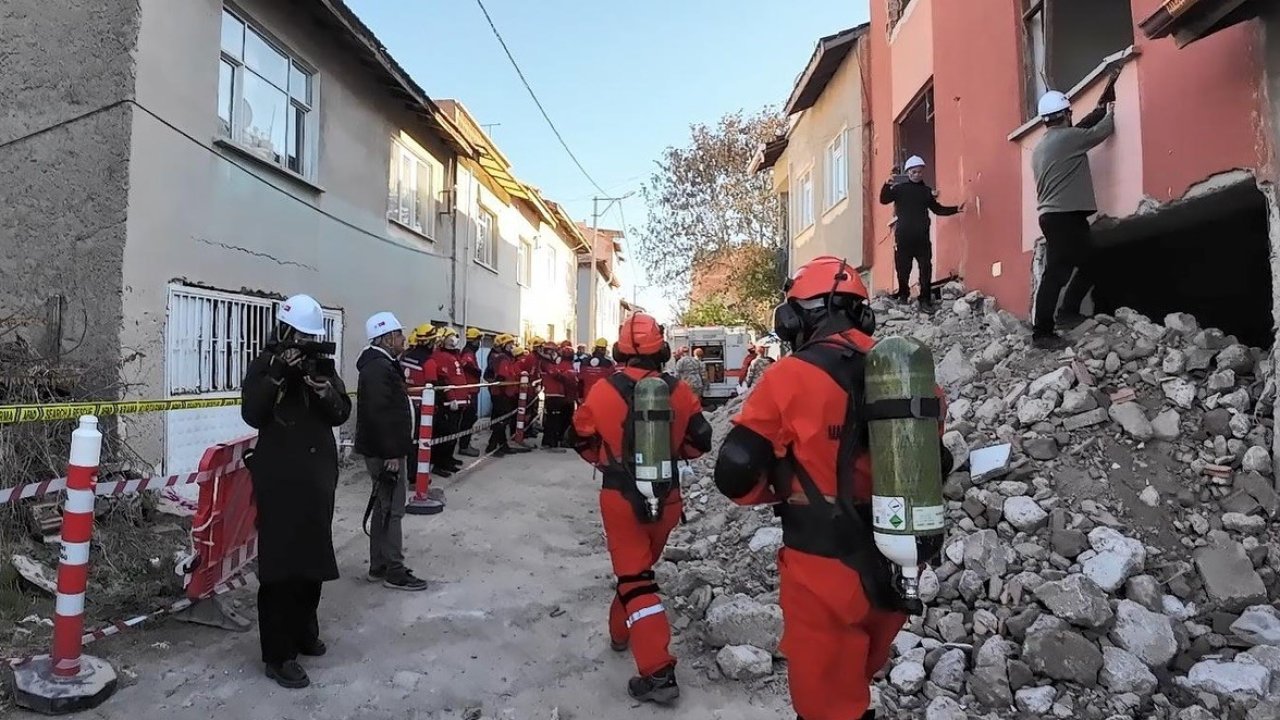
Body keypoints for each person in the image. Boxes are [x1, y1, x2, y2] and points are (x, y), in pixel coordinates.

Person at [712, 256, 951, 720]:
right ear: (863, 314)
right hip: (897, 562)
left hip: (821, 569)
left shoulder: (788, 378)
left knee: (826, 704)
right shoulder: (911, 377)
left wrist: (782, 486)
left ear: (794, 319)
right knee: (852, 686)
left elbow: (735, 475)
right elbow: (934, 462)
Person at [567, 313, 713, 705]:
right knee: (637, 574)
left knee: (635, 580)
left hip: (620, 499)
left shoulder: (601, 392)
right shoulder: (679, 391)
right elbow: (700, 442)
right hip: (666, 500)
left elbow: (578, 438)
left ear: (618, 351)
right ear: (662, 351)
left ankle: (658, 671)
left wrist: (606, 460)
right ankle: (620, 633)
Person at [240, 294, 351, 689]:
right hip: (280, 477)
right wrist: (277, 377)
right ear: (284, 331)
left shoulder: (323, 365)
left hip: (317, 475)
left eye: (310, 337)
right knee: (282, 566)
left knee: (313, 559)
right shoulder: (264, 364)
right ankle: (278, 653)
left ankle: (305, 631)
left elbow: (342, 412)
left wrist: (325, 391)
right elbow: (253, 413)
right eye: (299, 336)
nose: (304, 344)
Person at [1031, 88, 1117, 349]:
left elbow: (1079, 130)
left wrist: (1095, 112)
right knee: (1058, 273)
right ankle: (1043, 332)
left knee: (1085, 264)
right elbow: (1100, 132)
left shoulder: (1045, 144)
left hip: (1057, 217)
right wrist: (1110, 111)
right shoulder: (1068, 140)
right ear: (1065, 114)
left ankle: (1067, 312)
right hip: (1063, 216)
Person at [357, 312, 431, 591]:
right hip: (385, 452)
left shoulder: (383, 364)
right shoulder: (378, 368)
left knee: (383, 507)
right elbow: (379, 414)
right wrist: (391, 454)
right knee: (393, 510)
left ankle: (379, 565)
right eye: (400, 334)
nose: (404, 339)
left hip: (385, 448)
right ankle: (394, 570)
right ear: (387, 338)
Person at [878, 155, 964, 310]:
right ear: (908, 172)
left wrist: (956, 209)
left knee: (925, 267)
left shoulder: (926, 192)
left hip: (922, 237)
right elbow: (884, 199)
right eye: (913, 171)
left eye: (919, 172)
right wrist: (887, 184)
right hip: (904, 236)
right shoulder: (899, 189)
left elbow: (937, 209)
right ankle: (903, 295)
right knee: (903, 267)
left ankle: (925, 299)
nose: (917, 174)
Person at [399, 324, 454, 479]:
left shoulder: (406, 356)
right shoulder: (429, 362)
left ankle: (408, 473)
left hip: (405, 404)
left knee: (410, 441)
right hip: (423, 407)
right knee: (421, 442)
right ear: (430, 342)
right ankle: (416, 477)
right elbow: (432, 387)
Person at [483, 334, 529, 456]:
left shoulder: (506, 358)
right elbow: (502, 376)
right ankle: (492, 446)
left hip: (503, 393)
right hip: (501, 394)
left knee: (502, 421)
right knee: (501, 422)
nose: (512, 346)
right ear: (504, 345)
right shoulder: (502, 358)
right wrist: (504, 392)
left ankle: (502, 446)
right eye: (509, 344)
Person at [431, 327, 469, 475]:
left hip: (459, 401)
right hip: (448, 403)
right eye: (451, 336)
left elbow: (458, 377)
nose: (455, 338)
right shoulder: (439, 356)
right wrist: (451, 397)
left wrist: (465, 395)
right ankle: (439, 463)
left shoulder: (454, 355)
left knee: (454, 433)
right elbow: (443, 380)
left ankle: (448, 458)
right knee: (445, 433)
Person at [537, 340, 575, 450]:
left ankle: (551, 441)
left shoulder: (551, 363)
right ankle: (550, 442)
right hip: (553, 394)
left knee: (554, 419)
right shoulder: (546, 363)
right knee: (552, 419)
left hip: (557, 393)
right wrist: (564, 377)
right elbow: (556, 375)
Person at [457, 328, 484, 457]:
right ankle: (464, 445)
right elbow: (467, 365)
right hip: (469, 391)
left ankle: (464, 444)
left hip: (472, 389)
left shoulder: (469, 352)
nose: (479, 343)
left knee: (470, 418)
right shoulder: (468, 353)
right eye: (478, 340)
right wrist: (477, 371)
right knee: (469, 418)